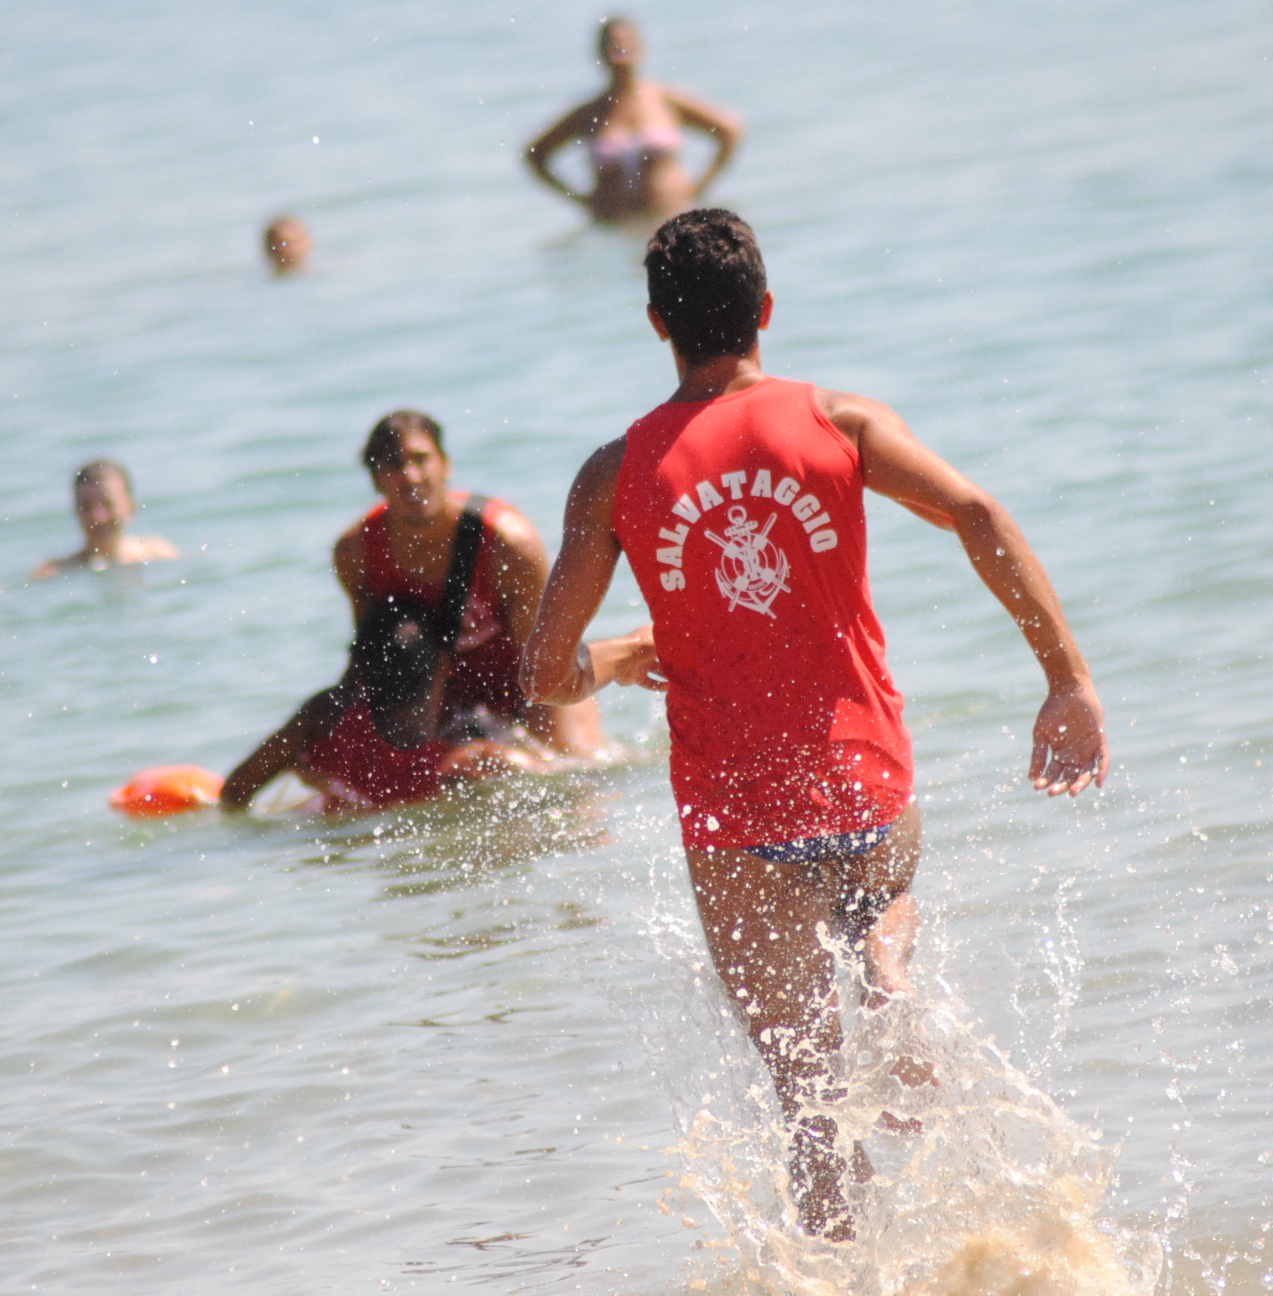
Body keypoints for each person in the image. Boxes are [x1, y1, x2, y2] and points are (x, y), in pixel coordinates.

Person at [520, 210, 1109, 1240]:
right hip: (861, 773)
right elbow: (976, 514)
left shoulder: (615, 474)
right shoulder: (839, 420)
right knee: (883, 902)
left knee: (807, 1105)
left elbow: (543, 679)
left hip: (735, 815)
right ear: (768, 310)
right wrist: (1066, 680)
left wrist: (615, 657)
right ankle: (887, 971)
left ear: (657, 325)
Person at [334, 410, 603, 758]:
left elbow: (545, 661)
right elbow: (377, 669)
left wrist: (554, 758)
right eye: (393, 465)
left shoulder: (507, 543)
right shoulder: (357, 551)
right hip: (440, 707)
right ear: (376, 480)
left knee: (576, 772)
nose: (410, 477)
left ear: (445, 465)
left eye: (420, 459)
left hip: (531, 686)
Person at [222, 597, 549, 813]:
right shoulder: (468, 760)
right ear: (445, 667)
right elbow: (558, 779)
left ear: (361, 670)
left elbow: (235, 792)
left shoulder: (324, 720)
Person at [526, 16, 742, 226]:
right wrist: (579, 200)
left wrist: (700, 187)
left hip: (673, 219)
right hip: (615, 228)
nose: (619, 50)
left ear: (641, 47)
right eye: (612, 44)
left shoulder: (665, 100)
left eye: (626, 43)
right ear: (599, 53)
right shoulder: (590, 112)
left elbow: (730, 130)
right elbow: (535, 154)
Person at [33, 459, 179, 578]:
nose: (98, 517)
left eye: (108, 505)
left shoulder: (159, 554)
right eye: (87, 507)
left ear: (131, 507)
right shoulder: (55, 573)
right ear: (76, 511)